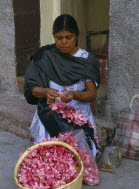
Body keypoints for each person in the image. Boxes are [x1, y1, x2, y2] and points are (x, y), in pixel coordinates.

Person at [24, 14, 100, 157]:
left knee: (79, 159)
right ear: (54, 36)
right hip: (49, 113)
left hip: (77, 115)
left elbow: (92, 94)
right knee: (50, 159)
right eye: (59, 38)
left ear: (76, 36)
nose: (64, 42)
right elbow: (30, 87)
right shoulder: (45, 56)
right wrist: (45, 92)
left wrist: (75, 95)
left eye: (68, 37)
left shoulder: (86, 61)